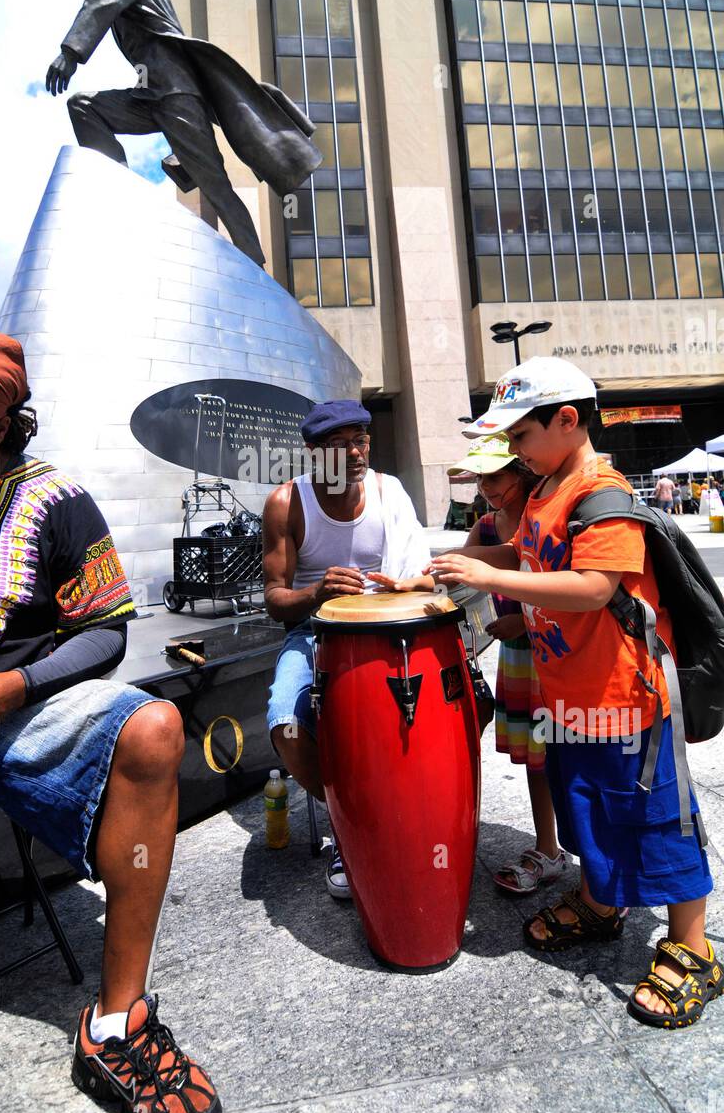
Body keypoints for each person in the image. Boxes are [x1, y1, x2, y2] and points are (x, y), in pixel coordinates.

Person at [0, 323, 220, 1113]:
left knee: (152, 726)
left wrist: (12, 688)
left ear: (0, 426)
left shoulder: (57, 501)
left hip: (21, 721)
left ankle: (117, 1021)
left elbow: (105, 629)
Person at [429, 357, 719, 1029]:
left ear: (565, 421)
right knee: (584, 808)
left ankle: (692, 946)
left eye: (518, 435)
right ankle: (599, 903)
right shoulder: (542, 492)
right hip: (568, 699)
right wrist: (460, 563)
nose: (510, 449)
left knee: (655, 822)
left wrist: (480, 565)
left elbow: (593, 587)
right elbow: (527, 554)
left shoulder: (600, 494)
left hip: (625, 701)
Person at [45, 0, 321, 267]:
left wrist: (71, 52)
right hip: (151, 93)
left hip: (175, 93)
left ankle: (253, 263)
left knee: (215, 186)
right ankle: (122, 197)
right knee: (83, 106)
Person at [262, 400, 431, 899]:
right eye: (340, 445)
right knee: (285, 725)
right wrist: (316, 594)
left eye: (361, 440)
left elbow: (419, 574)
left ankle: (412, 814)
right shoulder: (286, 503)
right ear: (314, 453)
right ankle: (352, 825)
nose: (355, 453)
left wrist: (399, 588)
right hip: (313, 632)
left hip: (383, 626)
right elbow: (274, 599)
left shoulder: (388, 492)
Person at [448, 438, 563, 894]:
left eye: (494, 476)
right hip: (519, 658)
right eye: (480, 478)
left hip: (560, 649)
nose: (485, 486)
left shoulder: (547, 513)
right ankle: (549, 847)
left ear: (521, 471)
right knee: (538, 758)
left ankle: (595, 855)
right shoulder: (487, 526)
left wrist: (526, 620)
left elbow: (572, 585)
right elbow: (457, 571)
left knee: (571, 751)